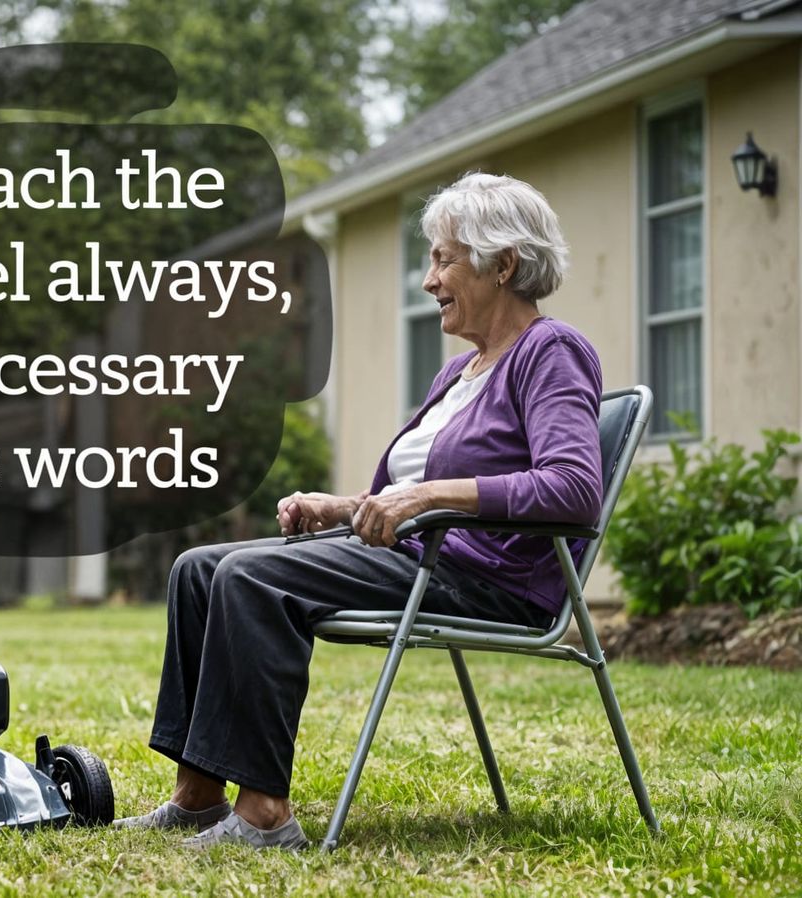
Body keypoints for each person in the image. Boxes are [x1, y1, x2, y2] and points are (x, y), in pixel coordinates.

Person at [115, 173, 602, 849]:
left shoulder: (549, 352)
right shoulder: (458, 375)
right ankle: (198, 796)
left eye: (443, 259)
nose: (429, 280)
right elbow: (409, 491)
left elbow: (573, 487)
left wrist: (428, 496)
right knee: (198, 569)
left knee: (253, 579)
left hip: (487, 579)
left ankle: (264, 813)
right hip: (420, 556)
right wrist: (342, 507)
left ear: (504, 265)